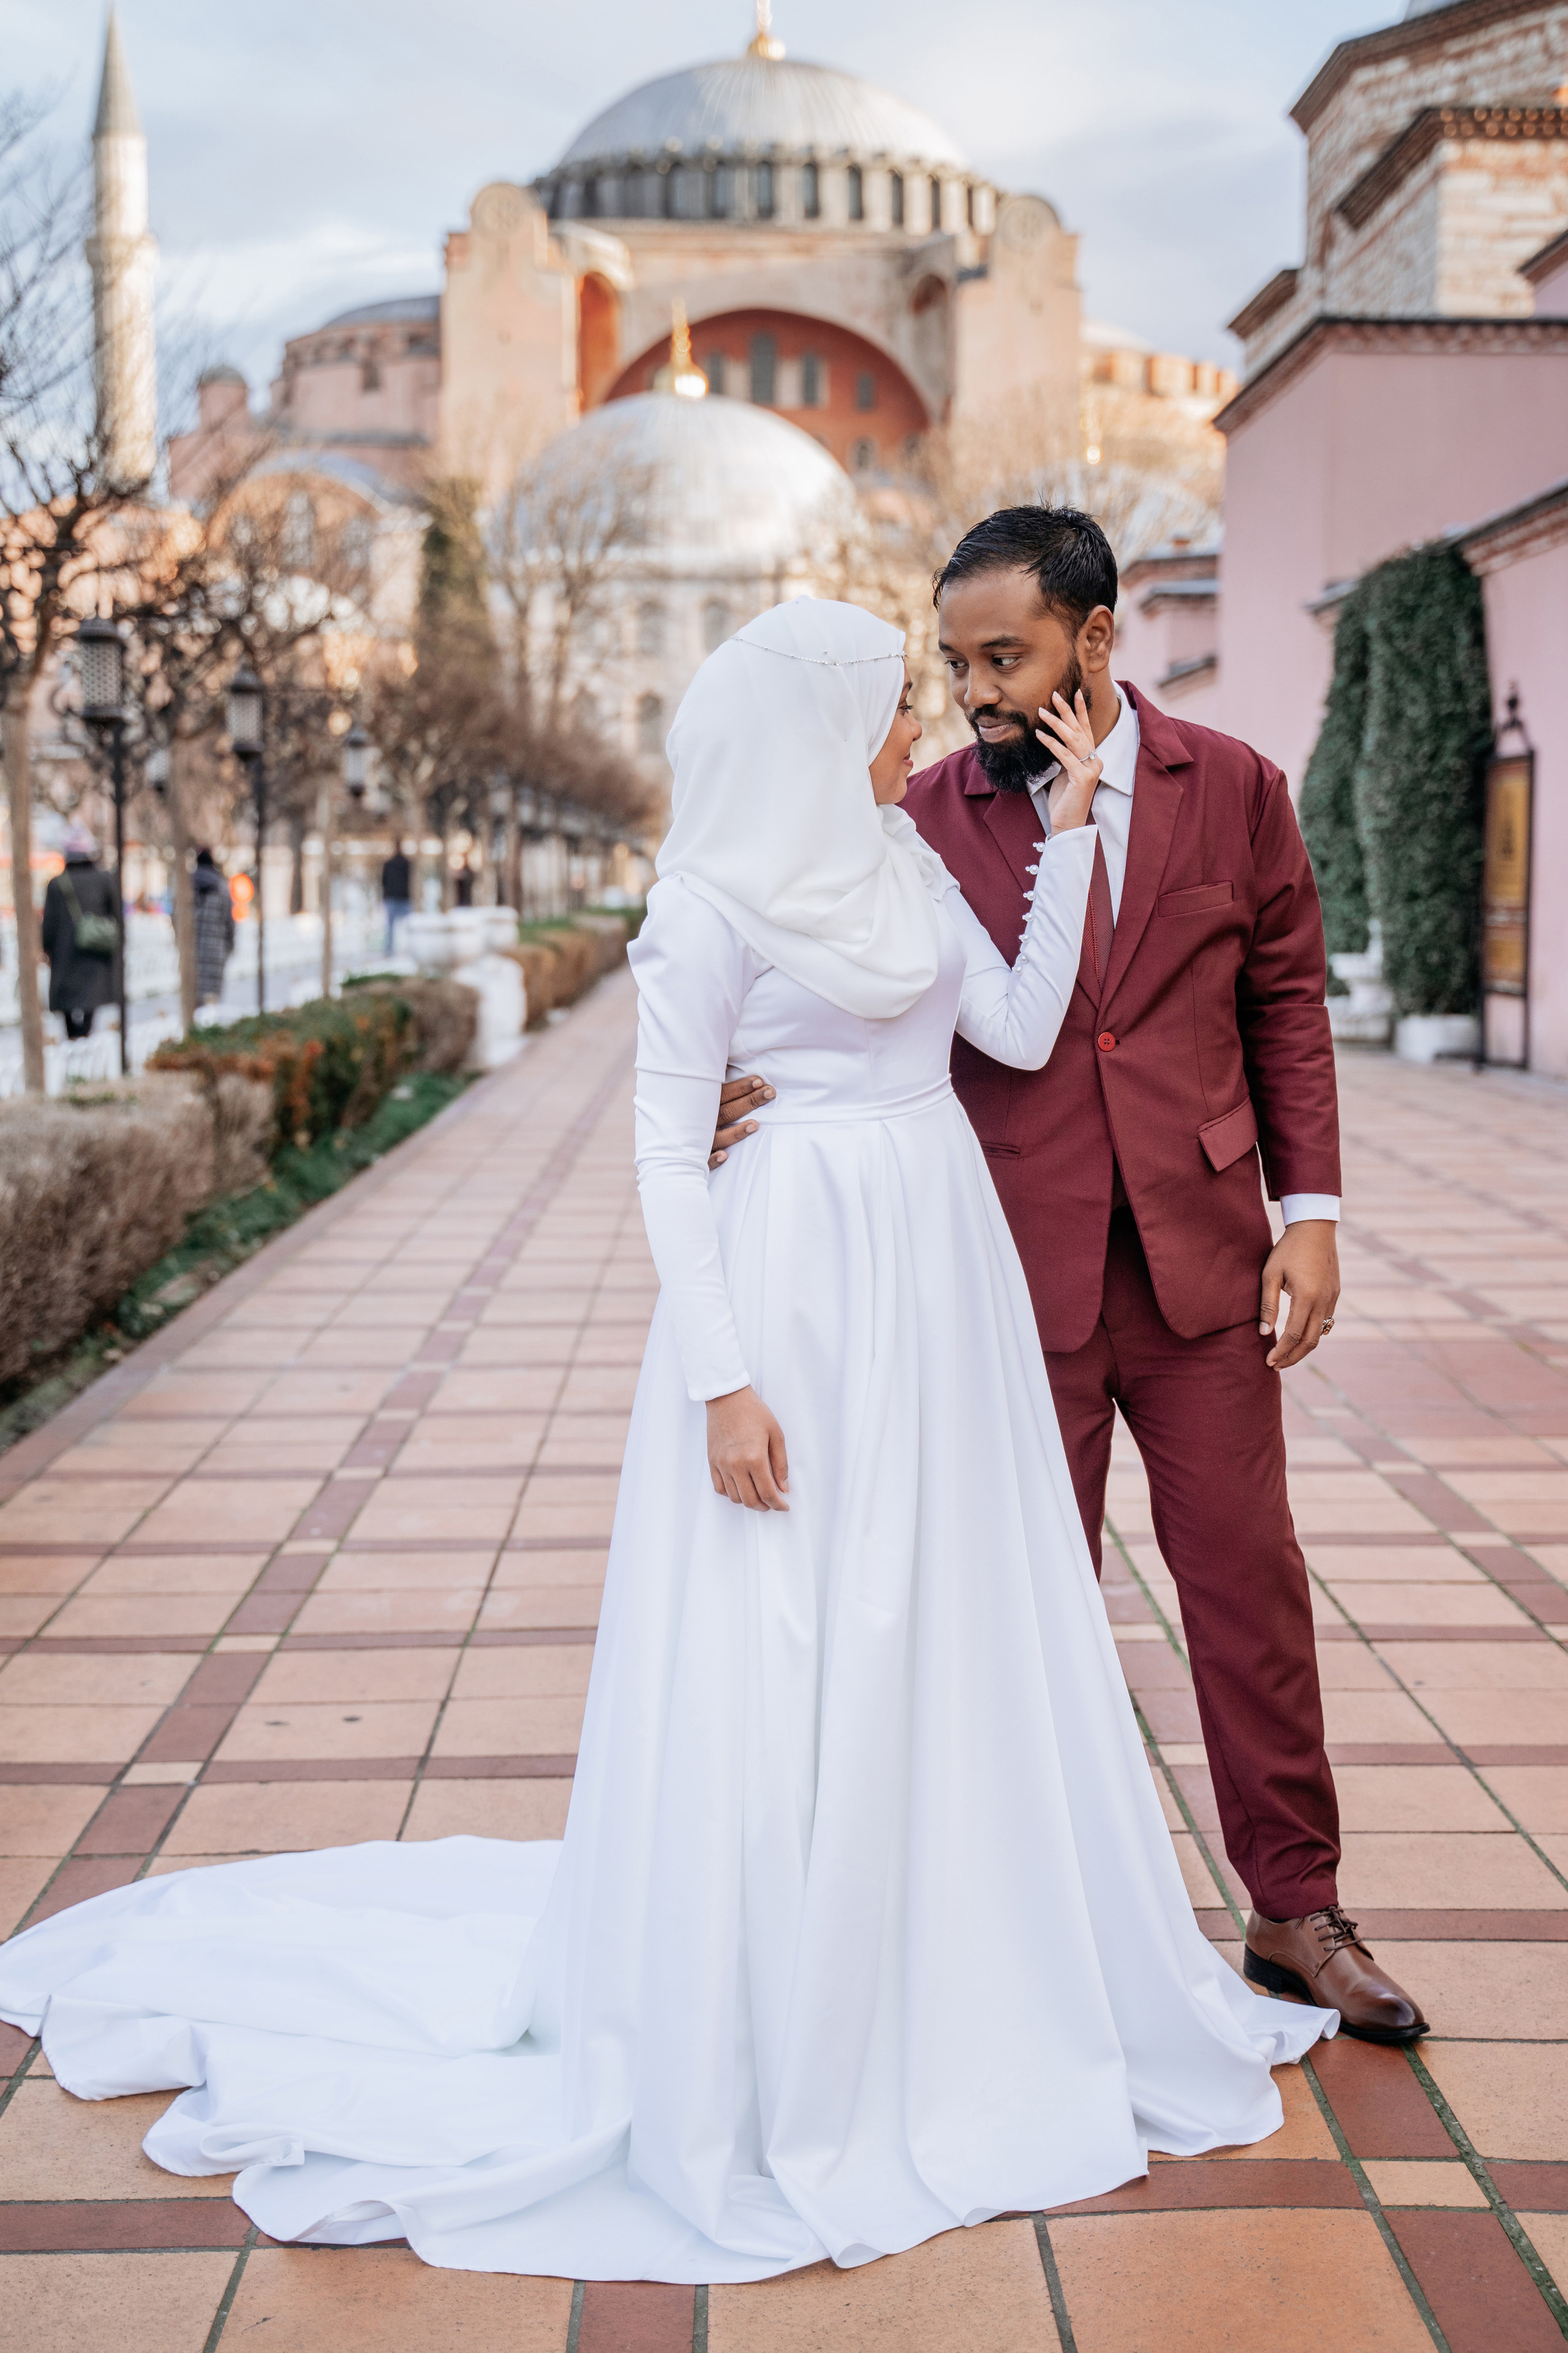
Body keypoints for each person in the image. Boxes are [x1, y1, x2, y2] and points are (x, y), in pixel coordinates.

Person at [0, 599, 1332, 2285]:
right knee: (792, 1630)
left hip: (938, 1276)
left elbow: (1010, 1025)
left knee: (926, 1617)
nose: (915, 730)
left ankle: (940, 1952)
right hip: (792, 1289)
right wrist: (723, 1383)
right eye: (892, 704)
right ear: (817, 726)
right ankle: (781, 1992)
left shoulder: (907, 862)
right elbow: (658, 1149)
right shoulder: (702, 904)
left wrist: (1066, 837)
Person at [894, 507, 1423, 2041]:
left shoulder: (1234, 787)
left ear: (1094, 638)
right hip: (1012, 1274)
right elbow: (857, 995)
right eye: (956, 664)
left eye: (1005, 658)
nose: (978, 694)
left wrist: (1308, 1210)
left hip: (1203, 1271)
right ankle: (1021, 1918)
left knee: (1245, 1586)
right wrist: (748, 1090)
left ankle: (1293, 1906)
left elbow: (1284, 1003)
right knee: (1021, 1603)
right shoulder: (927, 814)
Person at [39, 822, 119, 1041]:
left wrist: (46, 948)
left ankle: (74, 1038)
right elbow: (117, 916)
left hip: (65, 955)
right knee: (92, 1000)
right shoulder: (105, 880)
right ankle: (85, 1036)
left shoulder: (57, 884)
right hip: (96, 952)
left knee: (68, 1005)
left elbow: (49, 924)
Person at [190, 848, 235, 1010]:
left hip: (192, 950)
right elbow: (230, 922)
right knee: (212, 1003)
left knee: (194, 999)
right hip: (216, 950)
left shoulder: (187, 886)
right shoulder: (222, 887)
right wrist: (229, 947)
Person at [381, 842, 413, 950]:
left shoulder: (389, 864)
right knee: (408, 927)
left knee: (390, 927)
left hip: (394, 898)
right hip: (403, 898)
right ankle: (409, 949)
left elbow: (384, 882)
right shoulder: (407, 864)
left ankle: (390, 950)